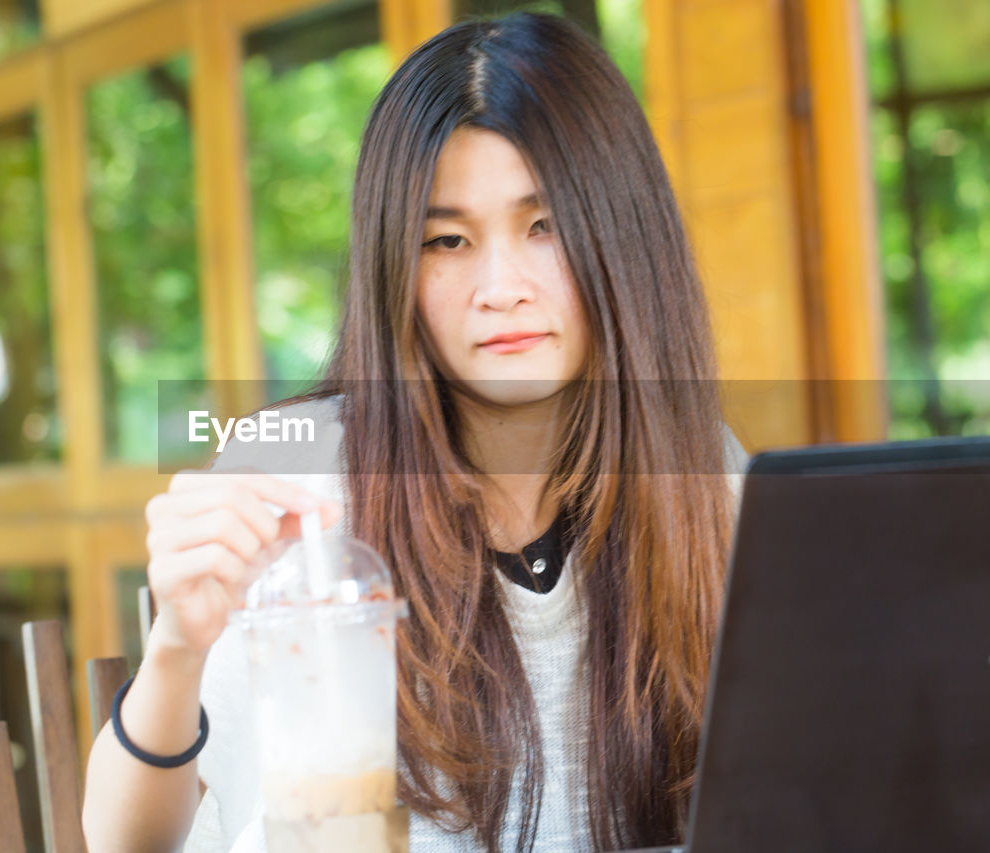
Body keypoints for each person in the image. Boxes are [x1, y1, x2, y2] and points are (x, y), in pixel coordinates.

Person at [82, 11, 747, 853]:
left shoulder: (708, 479)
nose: (500, 287)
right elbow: (119, 843)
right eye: (447, 240)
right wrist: (176, 646)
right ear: (398, 267)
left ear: (623, 237)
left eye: (543, 227)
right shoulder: (295, 478)